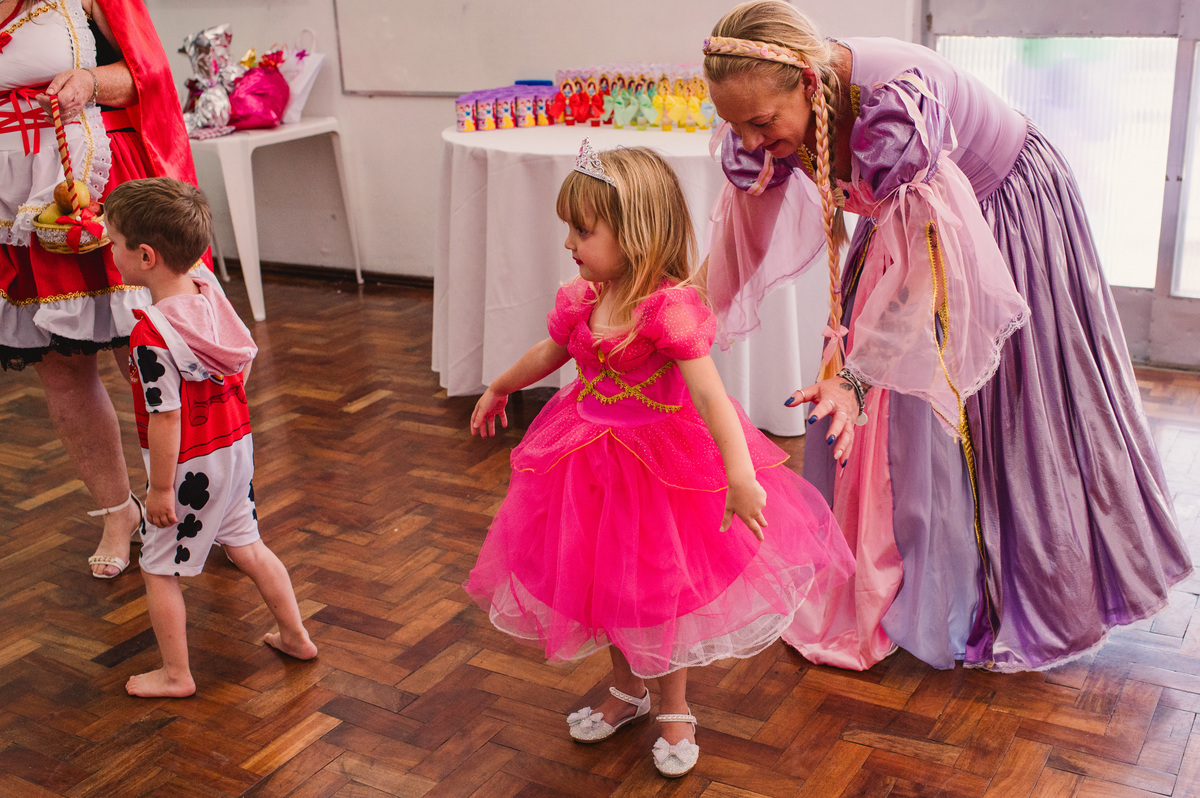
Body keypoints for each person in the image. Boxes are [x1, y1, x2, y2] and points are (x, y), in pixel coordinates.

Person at [700, 0, 1193, 672]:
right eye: (737, 127)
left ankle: (1018, 591)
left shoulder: (891, 110)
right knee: (894, 413)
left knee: (1008, 402)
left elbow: (920, 280)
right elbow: (736, 249)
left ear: (812, 85)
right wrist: (678, 320)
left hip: (1003, 208)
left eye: (760, 123)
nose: (751, 141)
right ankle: (914, 576)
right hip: (909, 221)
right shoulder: (772, 123)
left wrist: (852, 376)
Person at [463, 140, 854, 778]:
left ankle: (673, 706)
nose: (570, 244)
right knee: (603, 590)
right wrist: (502, 384)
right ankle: (627, 690)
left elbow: (709, 397)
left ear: (636, 233)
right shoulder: (583, 300)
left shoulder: (666, 311)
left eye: (583, 231)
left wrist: (739, 475)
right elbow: (549, 352)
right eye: (570, 229)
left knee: (657, 595)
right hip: (585, 462)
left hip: (660, 470)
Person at [0, 0, 204, 578]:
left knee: (148, 354)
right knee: (61, 367)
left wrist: (90, 80)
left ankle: (200, 500)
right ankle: (120, 513)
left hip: (103, 185)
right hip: (16, 209)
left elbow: (148, 77)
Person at [103, 177, 316, 698]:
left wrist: (157, 490)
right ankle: (296, 635)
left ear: (145, 255)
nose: (109, 248)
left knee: (157, 567)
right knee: (247, 546)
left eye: (112, 241)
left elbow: (167, 417)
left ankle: (176, 674)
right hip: (235, 449)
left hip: (187, 468)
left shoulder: (152, 334)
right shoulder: (209, 292)